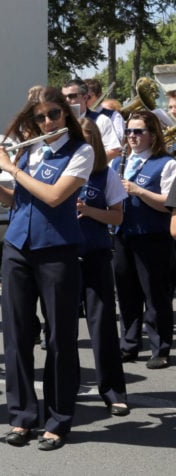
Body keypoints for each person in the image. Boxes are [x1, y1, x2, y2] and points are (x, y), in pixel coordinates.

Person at [0, 86, 93, 450]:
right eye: (39, 117)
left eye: (54, 115)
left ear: (65, 116)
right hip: (17, 249)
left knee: (59, 339)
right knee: (16, 336)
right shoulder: (31, 151)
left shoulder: (80, 151)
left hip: (56, 251)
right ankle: (22, 416)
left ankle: (58, 420)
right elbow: (15, 200)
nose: (47, 121)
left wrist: (9, 166)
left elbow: (55, 197)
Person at [110, 110, 175, 370]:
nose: (132, 136)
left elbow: (168, 205)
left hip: (153, 237)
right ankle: (129, 343)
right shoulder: (119, 163)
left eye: (139, 131)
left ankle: (160, 348)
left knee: (155, 295)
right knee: (126, 293)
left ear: (152, 135)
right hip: (123, 235)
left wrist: (138, 190)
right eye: (129, 132)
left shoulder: (167, 163)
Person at [76, 118, 129, 416]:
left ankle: (113, 392)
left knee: (103, 328)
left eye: (86, 139)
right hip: (64, 258)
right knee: (61, 330)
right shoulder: (58, 171)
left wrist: (88, 211)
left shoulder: (104, 174)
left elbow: (117, 217)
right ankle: (66, 387)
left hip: (95, 256)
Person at [62, 79, 121, 160]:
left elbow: (113, 150)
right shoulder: (58, 121)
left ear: (85, 97)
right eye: (63, 97)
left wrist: (88, 163)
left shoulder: (101, 120)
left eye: (72, 96)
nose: (67, 100)